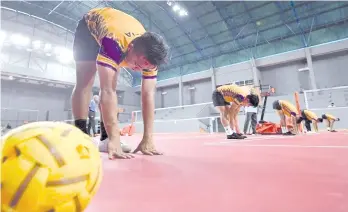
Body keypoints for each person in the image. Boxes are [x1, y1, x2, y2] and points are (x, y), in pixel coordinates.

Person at [72, 7, 169, 159]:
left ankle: (105, 139)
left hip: (120, 28)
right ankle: (80, 135)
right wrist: (115, 139)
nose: (138, 69)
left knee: (113, 83)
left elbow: (148, 94)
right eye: (138, 64)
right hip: (90, 28)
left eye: (144, 67)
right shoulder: (113, 43)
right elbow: (107, 90)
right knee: (86, 81)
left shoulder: (150, 59)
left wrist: (148, 138)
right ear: (130, 48)